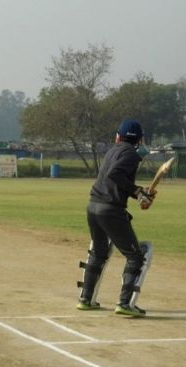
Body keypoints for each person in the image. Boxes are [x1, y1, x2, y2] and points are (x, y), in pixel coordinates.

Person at [77, 119, 156, 317]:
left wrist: (140, 193)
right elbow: (115, 176)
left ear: (118, 136)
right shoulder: (131, 154)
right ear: (139, 139)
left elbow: (115, 180)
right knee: (136, 256)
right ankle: (125, 303)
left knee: (99, 251)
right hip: (110, 210)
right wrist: (138, 191)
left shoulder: (112, 151)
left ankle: (86, 299)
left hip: (93, 206)